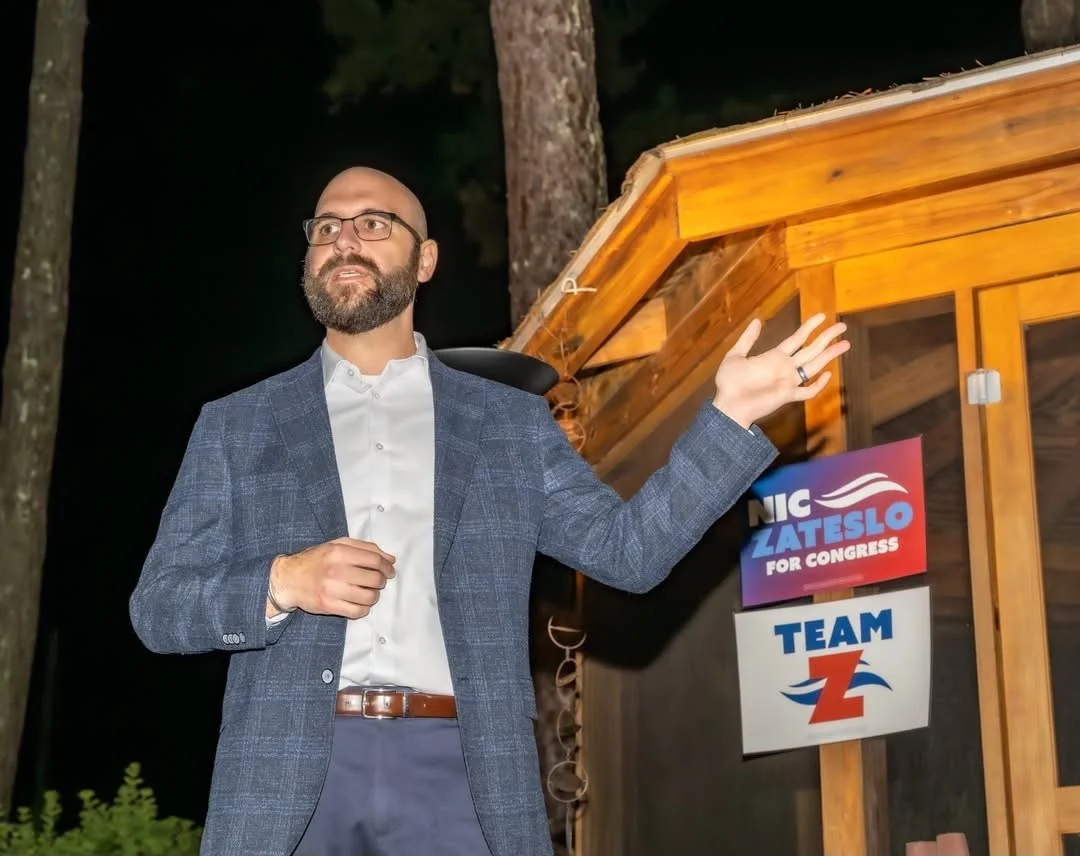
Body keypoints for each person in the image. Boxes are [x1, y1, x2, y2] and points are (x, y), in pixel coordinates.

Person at [129, 166, 849, 856]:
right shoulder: (239, 424)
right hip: (287, 775)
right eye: (326, 228)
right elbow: (158, 609)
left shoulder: (507, 423)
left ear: (426, 259)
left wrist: (732, 416)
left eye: (373, 223)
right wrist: (282, 582)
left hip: (460, 772)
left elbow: (628, 554)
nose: (345, 240)